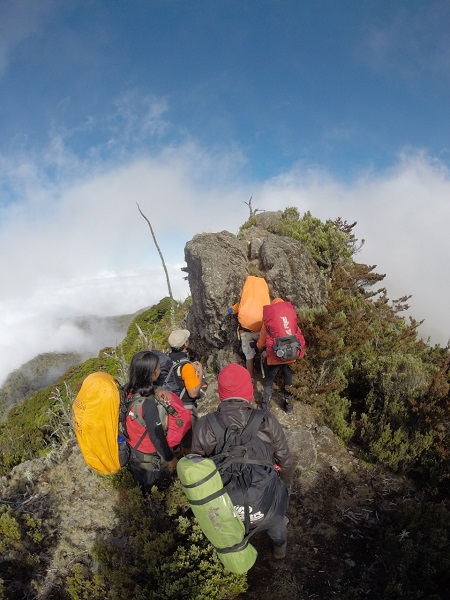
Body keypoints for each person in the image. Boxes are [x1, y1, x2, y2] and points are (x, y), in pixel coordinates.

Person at [191, 362, 293, 560]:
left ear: (221, 392)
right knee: (277, 522)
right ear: (247, 389)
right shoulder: (265, 420)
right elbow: (285, 461)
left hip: (227, 506)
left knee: (232, 528)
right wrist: (285, 489)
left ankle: (237, 553)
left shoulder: (205, 425)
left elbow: (197, 470)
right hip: (268, 503)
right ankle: (279, 549)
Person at [124, 350, 181, 494]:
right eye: (157, 368)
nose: (160, 370)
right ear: (150, 373)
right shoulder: (148, 405)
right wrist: (170, 459)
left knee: (141, 492)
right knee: (153, 496)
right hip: (148, 459)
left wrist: (157, 389)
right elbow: (157, 437)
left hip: (133, 453)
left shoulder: (127, 392)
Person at [257, 298, 305, 414]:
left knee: (269, 380)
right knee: (288, 379)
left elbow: (262, 342)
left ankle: (265, 404)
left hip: (274, 357)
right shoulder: (291, 322)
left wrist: (259, 348)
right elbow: (299, 336)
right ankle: (288, 405)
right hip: (290, 356)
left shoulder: (268, 323)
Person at [228, 275, 270, 378]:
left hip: (246, 332)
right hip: (261, 332)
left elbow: (231, 311)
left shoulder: (244, 300)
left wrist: (231, 309)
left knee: (249, 357)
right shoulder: (264, 299)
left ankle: (250, 378)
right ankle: (267, 375)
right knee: (266, 352)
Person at [167, 328, 205, 423]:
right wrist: (200, 373)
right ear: (186, 343)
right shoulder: (186, 366)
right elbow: (193, 393)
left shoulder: (166, 361)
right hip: (185, 409)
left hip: (170, 408)